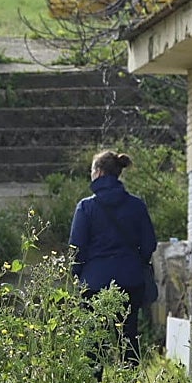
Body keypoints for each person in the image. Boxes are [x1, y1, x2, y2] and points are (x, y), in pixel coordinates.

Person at [69, 149, 158, 367]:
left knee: (94, 343)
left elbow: (76, 249)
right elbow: (149, 244)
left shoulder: (86, 207)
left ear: (99, 172)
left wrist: (78, 276)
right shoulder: (137, 206)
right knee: (129, 339)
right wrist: (135, 263)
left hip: (94, 284)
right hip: (130, 282)